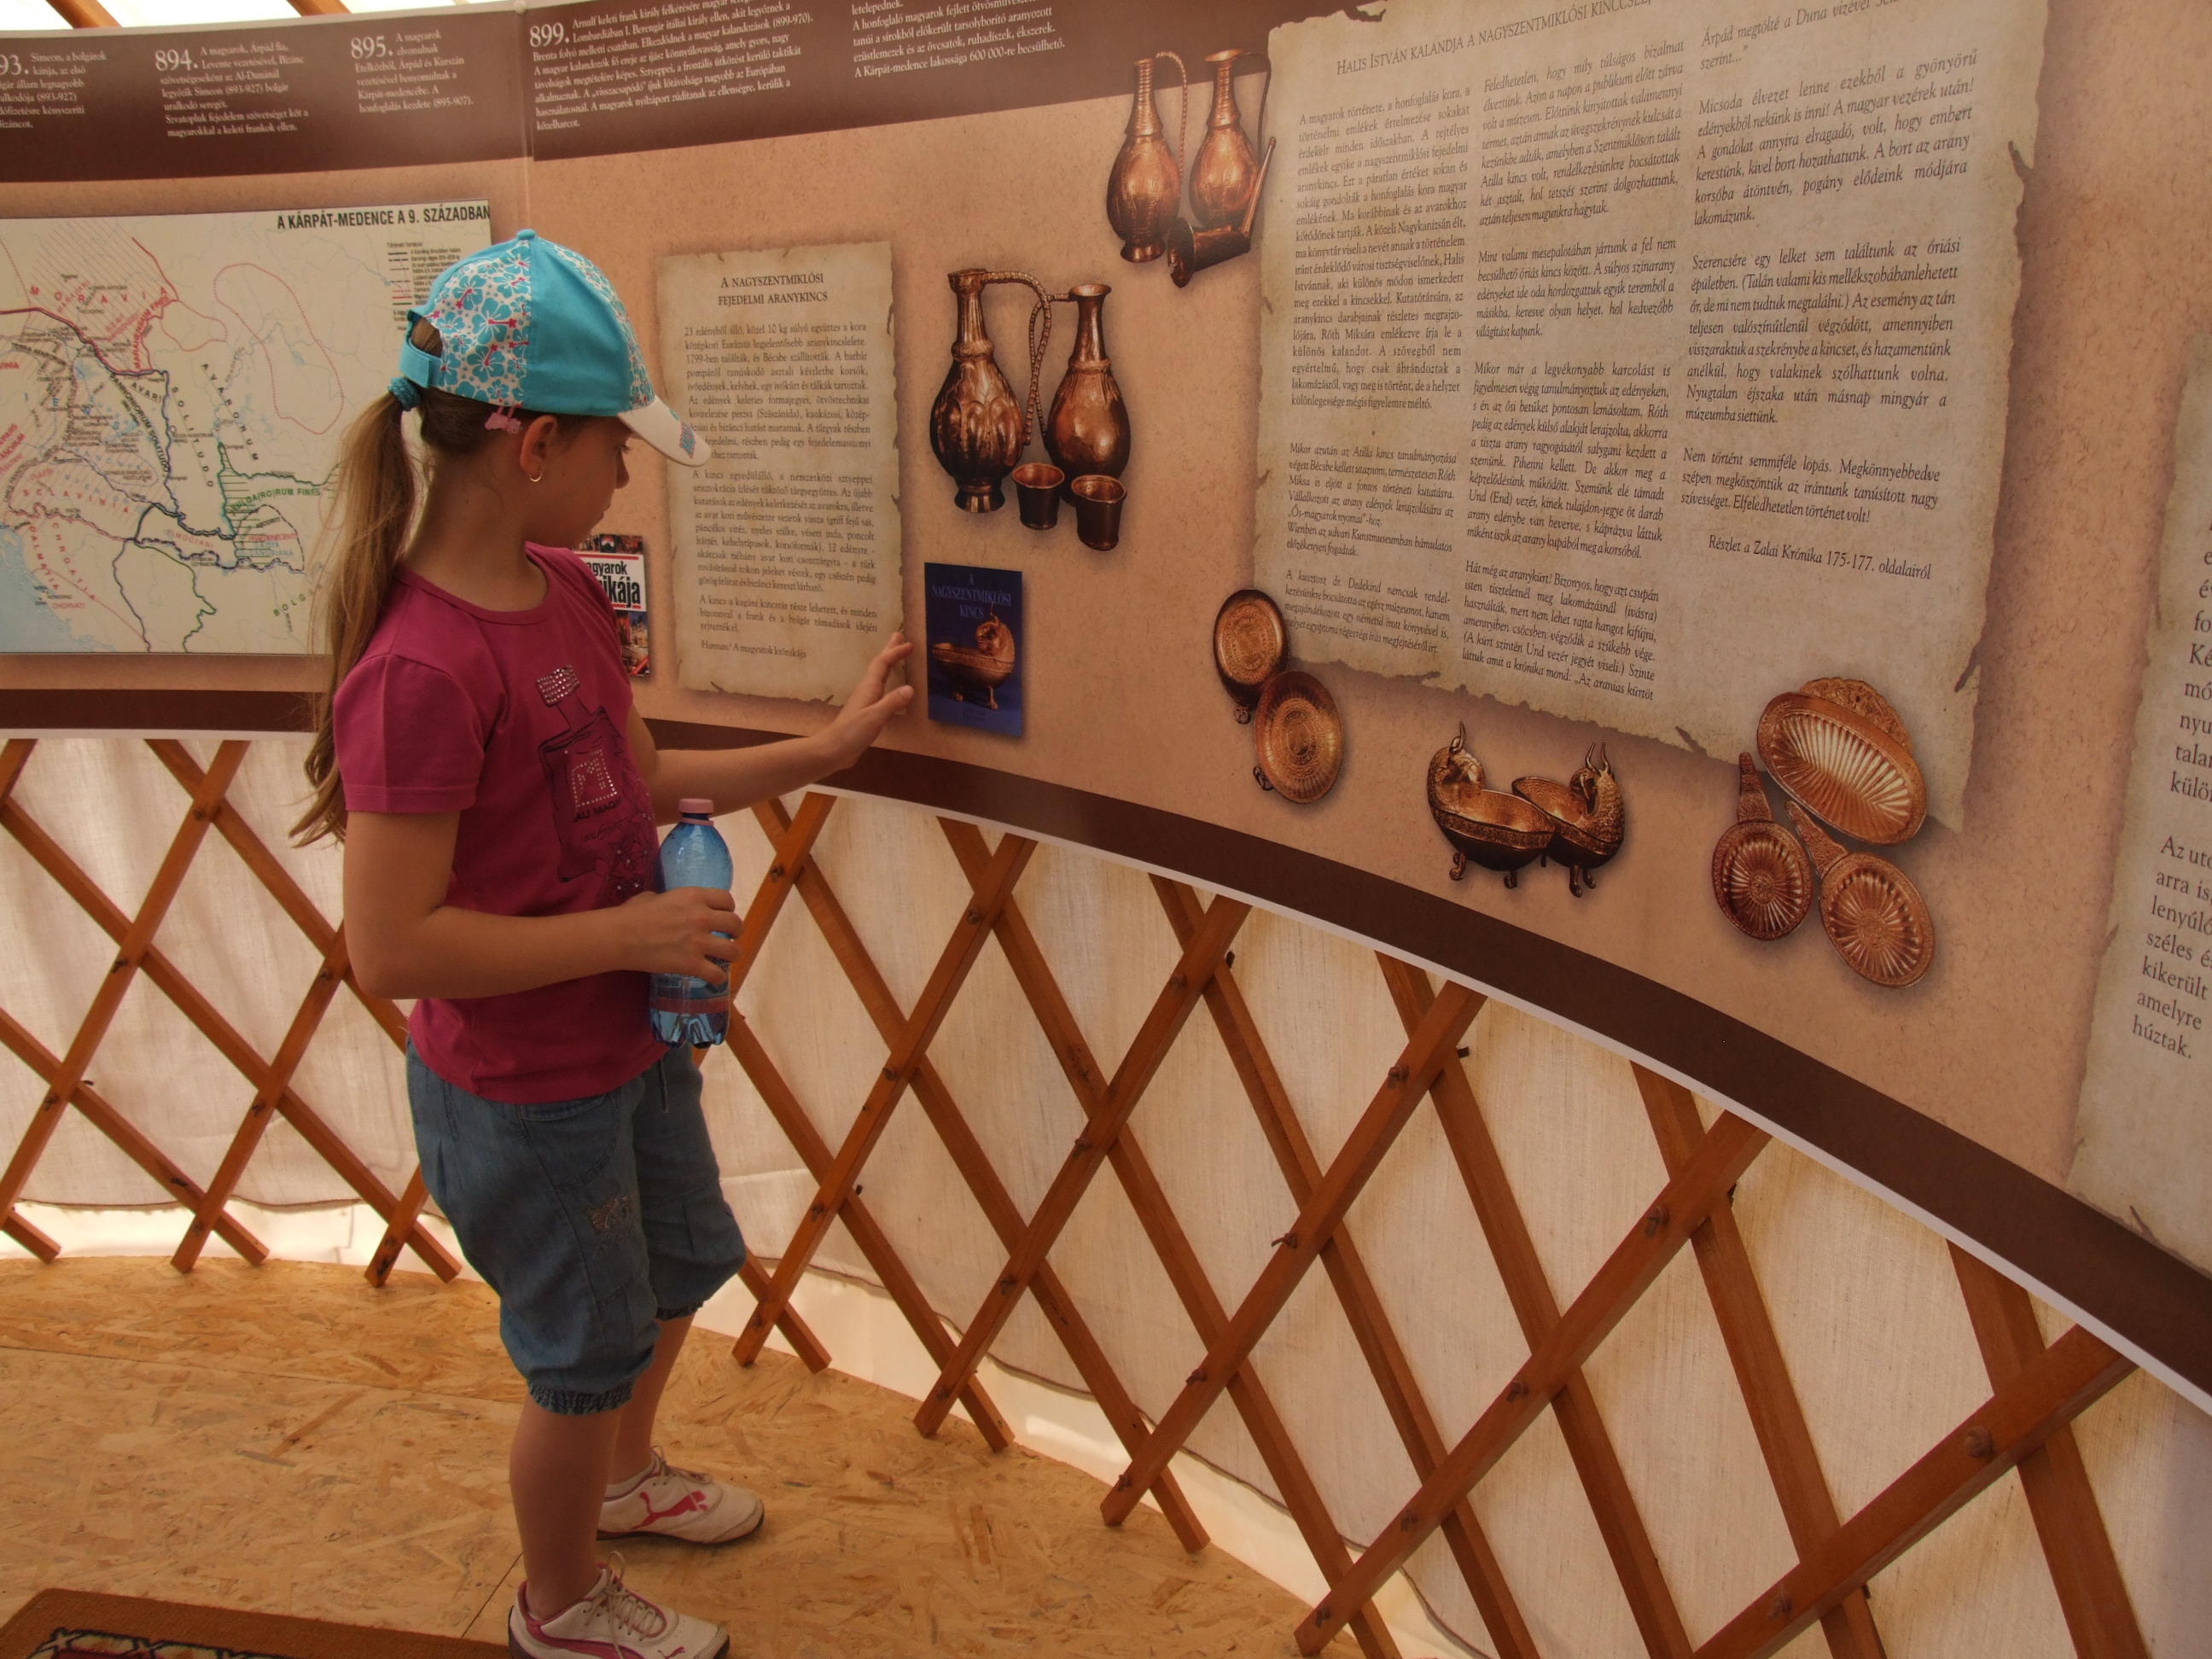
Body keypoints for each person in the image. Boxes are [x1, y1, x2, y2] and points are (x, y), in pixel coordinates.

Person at [294, 230, 913, 1659]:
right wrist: (625, 929)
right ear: (533, 447)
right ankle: (560, 1604)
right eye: (616, 445)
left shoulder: (563, 588)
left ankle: (625, 1481)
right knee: (580, 1356)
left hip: (626, 1045)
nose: (629, 473)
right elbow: (390, 948)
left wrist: (822, 750)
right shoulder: (419, 669)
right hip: (523, 1092)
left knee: (682, 1260)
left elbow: (643, 781)